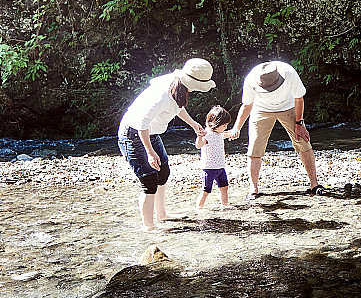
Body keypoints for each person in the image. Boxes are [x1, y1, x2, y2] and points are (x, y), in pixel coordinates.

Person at [117, 58, 215, 231]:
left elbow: (178, 107)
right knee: (148, 180)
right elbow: (142, 123)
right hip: (133, 133)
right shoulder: (162, 95)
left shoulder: (178, 86)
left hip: (151, 133)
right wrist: (149, 152)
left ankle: (162, 215)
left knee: (163, 172)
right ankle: (149, 227)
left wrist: (193, 124)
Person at [228, 60, 328, 198]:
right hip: (261, 109)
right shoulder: (251, 79)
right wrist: (236, 128)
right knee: (255, 147)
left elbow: (299, 99)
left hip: (288, 106)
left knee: (303, 141)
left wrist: (299, 124)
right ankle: (253, 189)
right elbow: (246, 105)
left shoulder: (289, 73)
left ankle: (314, 185)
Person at [194, 105, 234, 210]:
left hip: (220, 167)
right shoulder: (207, 134)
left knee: (224, 187)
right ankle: (199, 207)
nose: (225, 127)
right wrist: (199, 136)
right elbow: (199, 145)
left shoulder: (219, 133)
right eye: (224, 125)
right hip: (209, 168)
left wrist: (233, 133)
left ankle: (225, 205)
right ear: (215, 124)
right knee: (206, 190)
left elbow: (225, 134)